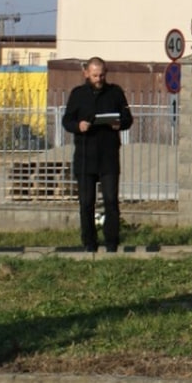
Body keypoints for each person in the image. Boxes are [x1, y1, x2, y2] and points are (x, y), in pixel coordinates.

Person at [62, 57, 133, 253]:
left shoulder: (115, 93)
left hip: (108, 156)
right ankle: (89, 243)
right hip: (85, 156)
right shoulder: (78, 94)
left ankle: (112, 243)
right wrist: (79, 126)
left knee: (111, 201)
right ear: (86, 74)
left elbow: (128, 119)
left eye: (101, 75)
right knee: (86, 203)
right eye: (94, 75)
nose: (98, 79)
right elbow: (67, 120)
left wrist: (119, 123)